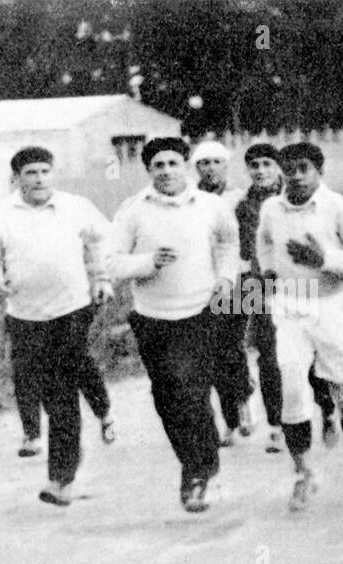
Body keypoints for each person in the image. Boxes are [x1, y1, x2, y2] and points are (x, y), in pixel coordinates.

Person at [0, 146, 115, 506]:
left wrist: (101, 278)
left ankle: (61, 479)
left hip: (72, 309)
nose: (38, 179)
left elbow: (100, 241)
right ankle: (68, 460)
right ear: (16, 179)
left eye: (44, 172)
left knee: (63, 390)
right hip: (25, 316)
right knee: (54, 395)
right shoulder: (1, 215)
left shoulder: (75, 206)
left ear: (53, 174)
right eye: (30, 173)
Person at [107, 137, 239, 512]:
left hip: (200, 311)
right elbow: (112, 262)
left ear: (186, 167)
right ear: (148, 171)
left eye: (172, 163)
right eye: (158, 165)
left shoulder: (211, 206)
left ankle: (198, 470)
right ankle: (195, 454)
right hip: (152, 316)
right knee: (167, 397)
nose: (166, 171)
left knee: (191, 389)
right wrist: (149, 262)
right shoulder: (133, 211)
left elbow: (229, 246)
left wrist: (225, 281)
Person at [258, 142, 343, 511]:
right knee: (292, 391)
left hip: (331, 308)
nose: (295, 175)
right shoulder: (271, 208)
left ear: (319, 172)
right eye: (289, 169)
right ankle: (304, 472)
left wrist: (324, 259)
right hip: (289, 310)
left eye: (304, 168)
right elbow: (264, 244)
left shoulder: (339, 207)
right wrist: (267, 273)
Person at [231, 142, 339, 454]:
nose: (260, 170)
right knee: (268, 354)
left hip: (300, 284)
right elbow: (243, 251)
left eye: (267, 164)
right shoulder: (243, 206)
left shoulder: (293, 198)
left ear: (279, 168)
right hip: (261, 285)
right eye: (254, 165)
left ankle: (326, 407)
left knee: (309, 354)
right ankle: (278, 425)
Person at [191, 140, 257, 446]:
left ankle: (244, 399)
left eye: (216, 162)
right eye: (204, 163)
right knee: (213, 351)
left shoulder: (240, 197)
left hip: (242, 279)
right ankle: (230, 420)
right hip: (204, 282)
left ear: (226, 165)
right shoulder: (189, 199)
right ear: (196, 169)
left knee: (233, 344)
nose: (211, 168)